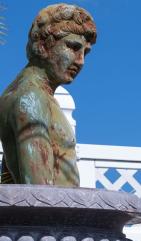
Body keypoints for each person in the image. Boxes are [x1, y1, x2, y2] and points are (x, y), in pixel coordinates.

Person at [0, 4, 97, 185]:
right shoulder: (30, 98)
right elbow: (40, 194)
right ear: (43, 45)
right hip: (53, 213)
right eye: (73, 47)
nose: (81, 61)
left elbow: (9, 177)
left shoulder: (30, 95)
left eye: (85, 52)